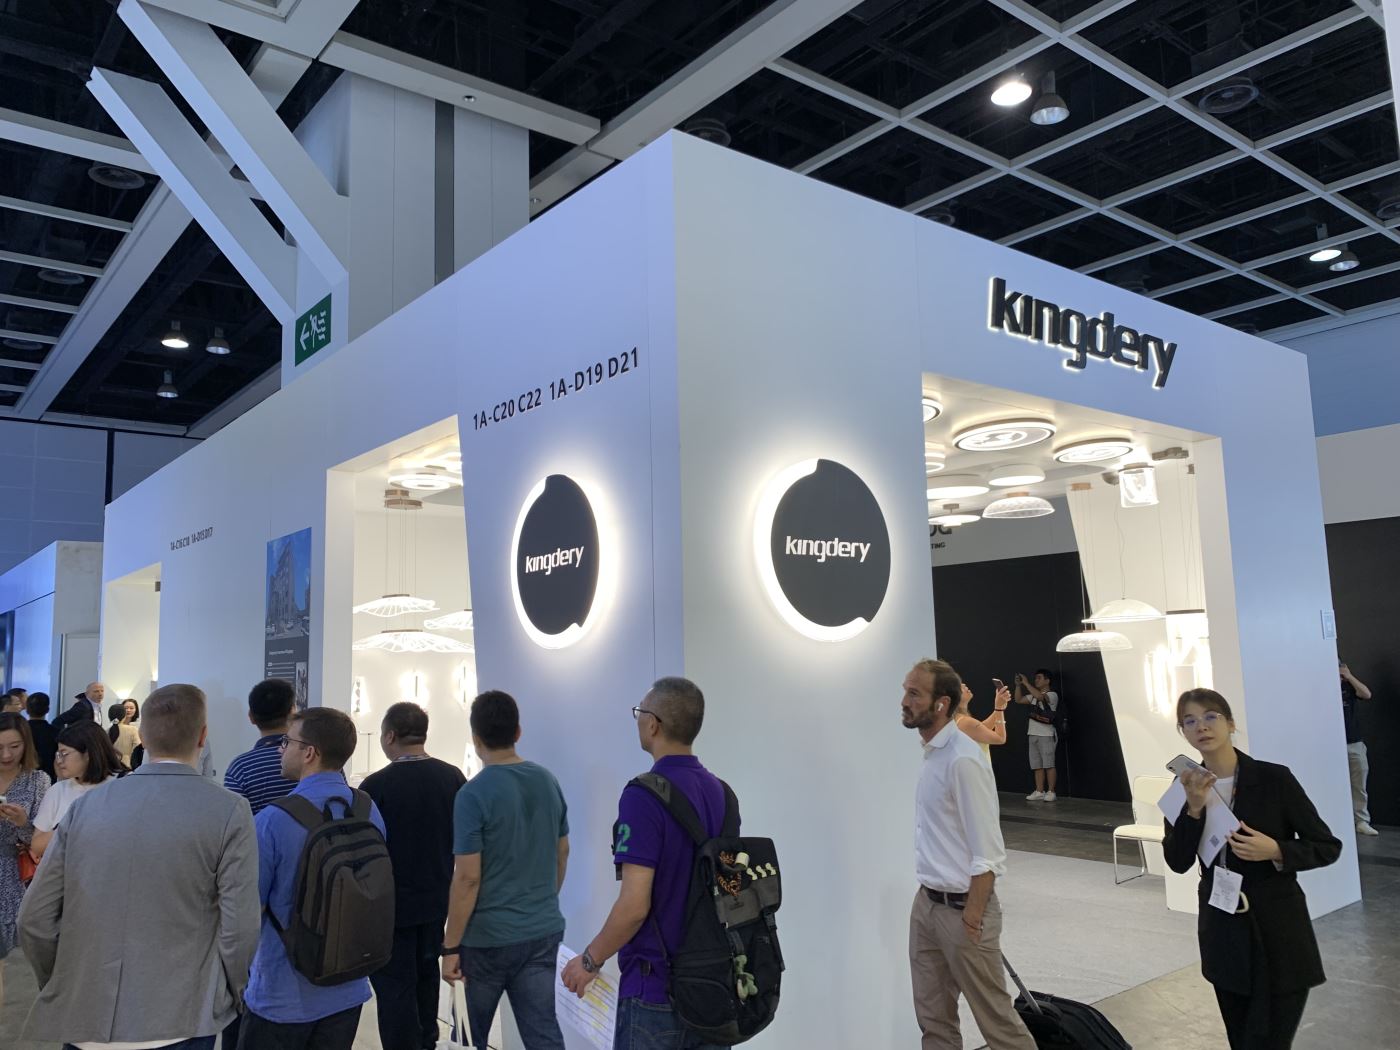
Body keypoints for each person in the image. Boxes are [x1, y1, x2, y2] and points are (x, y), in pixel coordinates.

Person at [18, 683, 259, 1049]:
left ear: (142, 735)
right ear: (203, 736)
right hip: (181, 1015)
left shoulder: (86, 808)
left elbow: (33, 918)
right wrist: (233, 992)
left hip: (88, 1014)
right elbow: (239, 927)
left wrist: (63, 980)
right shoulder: (229, 810)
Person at [1163, 688, 1341, 1050]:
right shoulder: (1182, 787)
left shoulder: (1275, 779)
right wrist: (1194, 809)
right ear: (1183, 732)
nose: (1201, 727)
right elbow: (1177, 861)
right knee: (1241, 1038)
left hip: (1278, 926)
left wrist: (1277, 849)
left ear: (1230, 723)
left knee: (1273, 1039)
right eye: (1190, 721)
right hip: (1223, 926)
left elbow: (1326, 846)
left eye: (1210, 716)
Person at [561, 677, 730, 1050]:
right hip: (713, 988)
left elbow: (635, 905)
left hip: (655, 991)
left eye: (639, 712)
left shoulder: (643, 796)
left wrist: (589, 961)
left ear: (653, 724)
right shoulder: (722, 793)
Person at [901, 659, 1035, 1050]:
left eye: (914, 693)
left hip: (962, 910)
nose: (904, 701)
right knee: (933, 1021)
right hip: (927, 904)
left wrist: (972, 915)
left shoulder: (961, 758)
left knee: (998, 1025)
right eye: (906, 690)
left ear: (940, 704)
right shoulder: (935, 753)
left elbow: (988, 852)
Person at [240, 707, 386, 1049]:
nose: (281, 749)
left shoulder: (272, 820)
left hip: (283, 993)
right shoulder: (368, 809)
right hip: (349, 984)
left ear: (309, 753)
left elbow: (250, 910)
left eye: (287, 742)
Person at [442, 691, 568, 1049]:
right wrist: (542, 900)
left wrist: (450, 946)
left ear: (475, 738)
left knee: (469, 1036)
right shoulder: (547, 780)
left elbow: (467, 878)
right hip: (541, 929)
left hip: (487, 938)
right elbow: (562, 851)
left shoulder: (473, 794)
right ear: (518, 732)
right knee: (543, 1033)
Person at [362, 702, 466, 1050]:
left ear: (389, 736)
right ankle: (427, 1041)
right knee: (427, 977)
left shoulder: (375, 785)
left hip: (390, 907)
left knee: (394, 989)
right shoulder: (453, 777)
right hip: (437, 901)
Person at [0, 711, 48, 1009]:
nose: (6, 755)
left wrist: (22, 824)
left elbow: (42, 841)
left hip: (12, 876)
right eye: (0, 747)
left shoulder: (37, 781)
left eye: (14, 746)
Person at [30, 720, 122, 860]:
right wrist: (68, 827)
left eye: (64, 754)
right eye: (58, 754)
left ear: (88, 753)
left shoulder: (123, 784)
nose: (59, 761)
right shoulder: (58, 791)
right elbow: (37, 845)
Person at [225, 679, 297, 816]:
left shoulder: (240, 768)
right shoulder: (311, 757)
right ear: (293, 712)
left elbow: (233, 820)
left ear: (251, 717)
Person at [1339, 661, 1377, 835]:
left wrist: (1349, 677)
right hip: (1330, 745)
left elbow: (1366, 694)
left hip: (1353, 742)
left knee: (1358, 783)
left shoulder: (1349, 686)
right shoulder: (1322, 687)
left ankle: (1361, 820)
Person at [1014, 668, 1059, 801]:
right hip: (1032, 733)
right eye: (1035, 678)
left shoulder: (1052, 695)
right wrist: (1018, 685)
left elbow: (1040, 697)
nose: (1036, 680)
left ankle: (1051, 792)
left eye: (1039, 678)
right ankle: (1039, 791)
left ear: (1047, 680)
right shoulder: (1033, 695)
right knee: (1037, 765)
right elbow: (1018, 699)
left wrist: (1026, 683)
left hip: (1046, 735)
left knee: (1049, 764)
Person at [956, 680, 1010, 762]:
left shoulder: (959, 719)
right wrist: (999, 709)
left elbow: (982, 728)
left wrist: (999, 708)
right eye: (958, 685)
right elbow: (1000, 738)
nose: (963, 684)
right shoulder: (965, 722)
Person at [26, 693, 57, 781]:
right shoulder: (56, 733)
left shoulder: (19, 731)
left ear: (27, 710)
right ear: (48, 710)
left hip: (21, 779)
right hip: (48, 780)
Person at [109, 698, 142, 770]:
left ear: (136, 710)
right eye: (126, 708)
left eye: (131, 708)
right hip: (127, 765)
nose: (128, 710)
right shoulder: (112, 728)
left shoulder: (139, 726)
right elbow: (138, 748)